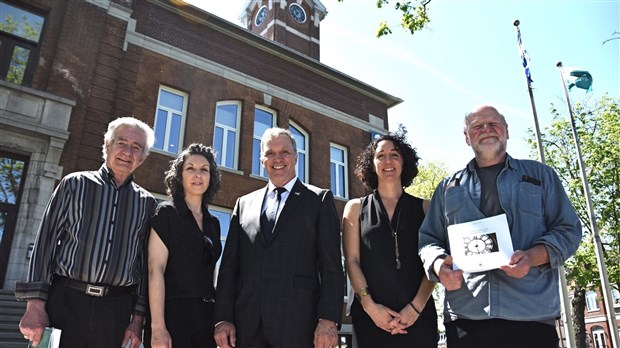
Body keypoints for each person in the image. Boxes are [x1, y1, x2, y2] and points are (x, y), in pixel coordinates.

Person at [418, 105, 582, 348]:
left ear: (506, 131)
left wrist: (531, 257)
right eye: (477, 126)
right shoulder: (447, 188)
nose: (486, 130)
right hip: (466, 314)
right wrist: (439, 265)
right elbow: (429, 240)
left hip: (531, 314)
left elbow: (569, 230)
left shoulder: (541, 175)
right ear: (467, 137)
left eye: (493, 124)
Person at [15, 117, 157, 348]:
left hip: (115, 312)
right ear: (107, 145)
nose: (127, 152)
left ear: (142, 158)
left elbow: (143, 264)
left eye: (136, 147)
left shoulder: (147, 203)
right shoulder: (74, 184)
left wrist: (137, 320)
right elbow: (45, 243)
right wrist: (35, 305)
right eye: (121, 143)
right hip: (64, 303)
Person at [213, 127, 344, 348]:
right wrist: (223, 318)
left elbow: (331, 266)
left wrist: (328, 320)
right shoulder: (243, 204)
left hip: (298, 326)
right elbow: (229, 268)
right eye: (270, 153)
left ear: (296, 156)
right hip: (246, 327)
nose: (278, 158)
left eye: (284, 151)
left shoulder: (318, 200)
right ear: (262, 159)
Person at [342, 132, 438, 348]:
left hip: (418, 317)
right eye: (380, 155)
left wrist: (415, 308)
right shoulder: (355, 208)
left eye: (394, 155)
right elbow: (352, 260)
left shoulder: (426, 208)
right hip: (370, 319)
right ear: (372, 164)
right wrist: (369, 306)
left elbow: (433, 263)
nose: (387, 161)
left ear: (404, 162)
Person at [147, 143, 222, 348]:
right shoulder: (166, 213)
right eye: (190, 168)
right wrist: (158, 327)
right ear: (180, 176)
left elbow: (210, 270)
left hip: (206, 320)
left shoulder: (213, 223)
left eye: (204, 170)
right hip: (173, 316)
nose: (198, 174)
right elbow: (155, 270)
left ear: (211, 177)